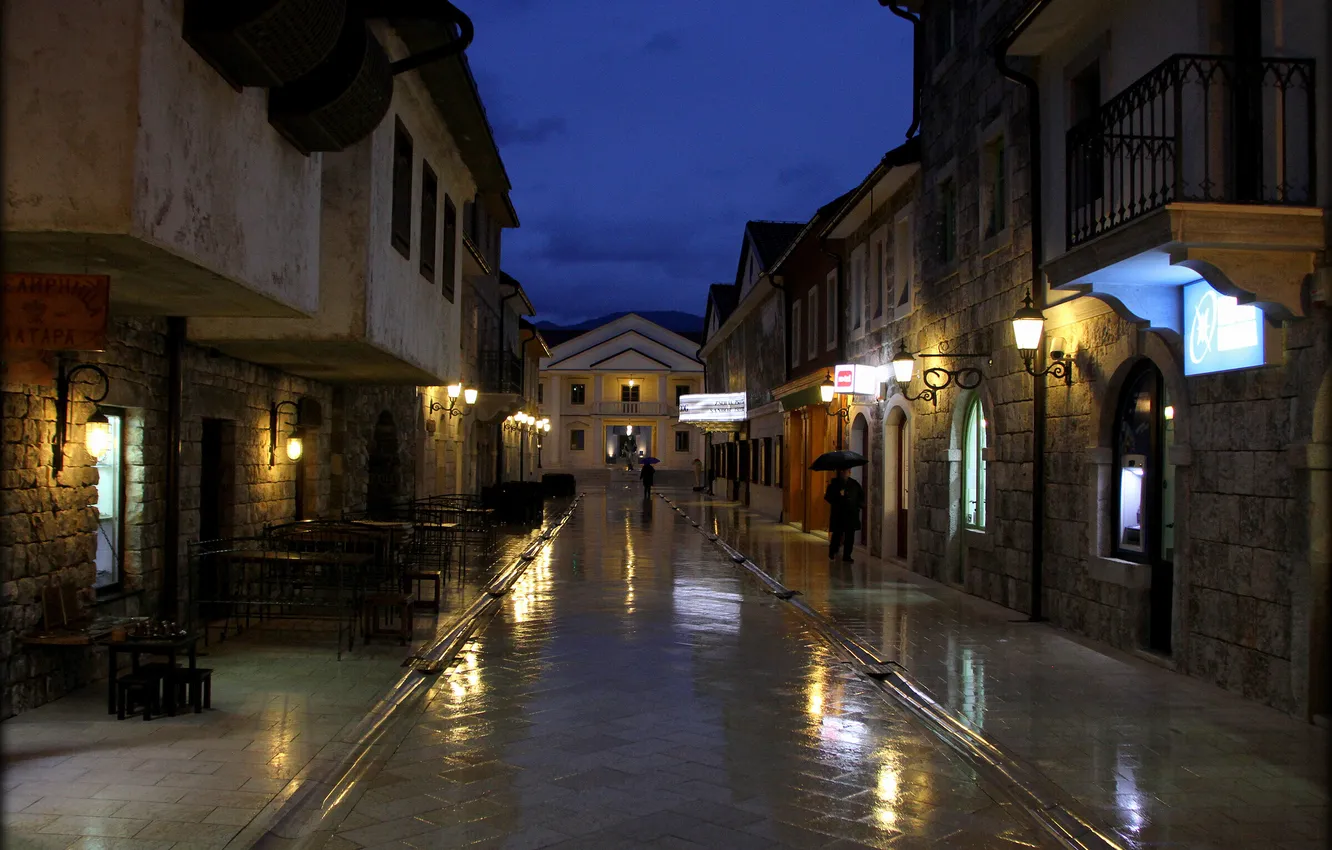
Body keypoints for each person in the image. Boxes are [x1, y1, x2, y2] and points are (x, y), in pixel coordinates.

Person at [824, 468, 864, 562]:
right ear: (841, 473)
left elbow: (861, 496)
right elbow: (828, 497)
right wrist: (838, 496)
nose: (846, 473)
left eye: (848, 471)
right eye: (844, 471)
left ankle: (847, 555)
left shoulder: (854, 484)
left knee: (850, 536)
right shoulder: (834, 484)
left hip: (851, 514)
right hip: (839, 514)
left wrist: (858, 505)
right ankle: (833, 551)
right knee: (837, 534)